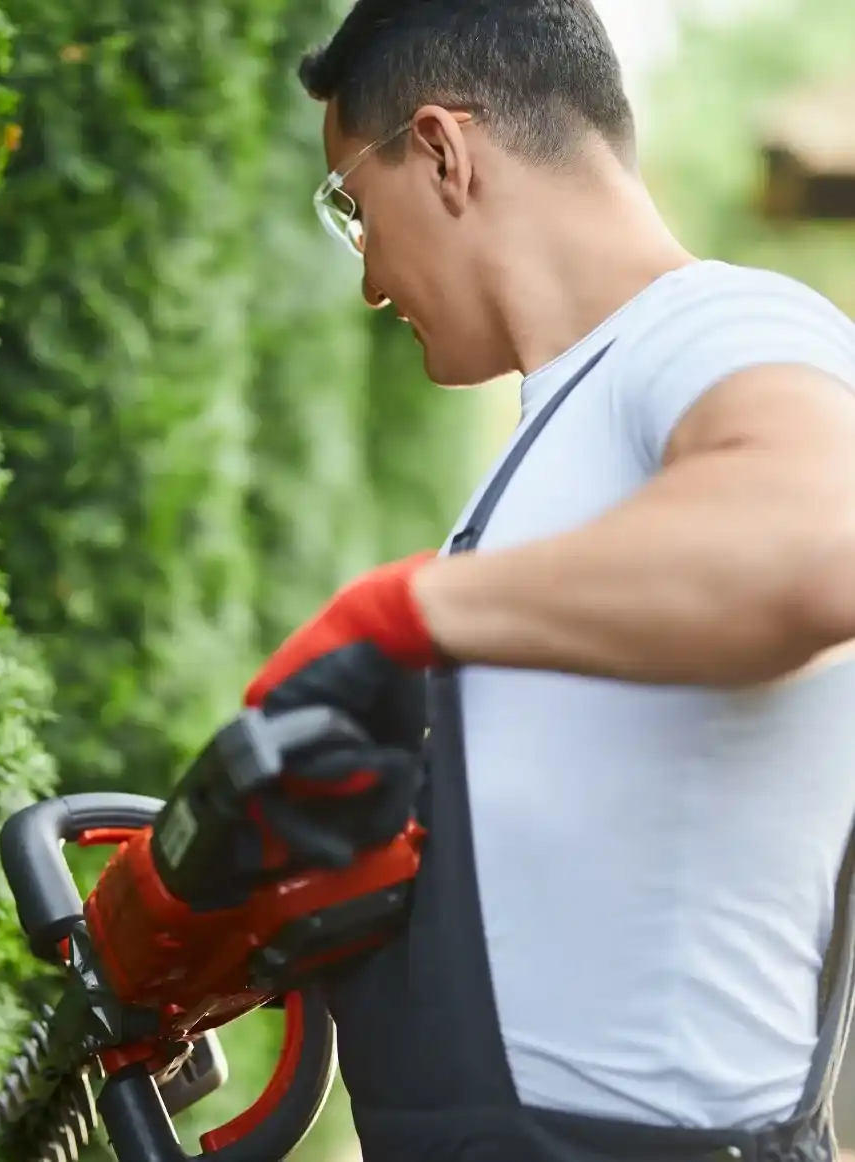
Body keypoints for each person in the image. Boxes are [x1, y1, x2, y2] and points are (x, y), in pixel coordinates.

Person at [240, 1, 855, 1160]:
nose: (369, 279)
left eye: (353, 211)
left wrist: (395, 616)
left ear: (440, 150)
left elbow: (820, 544)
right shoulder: (560, 436)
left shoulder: (724, 325)